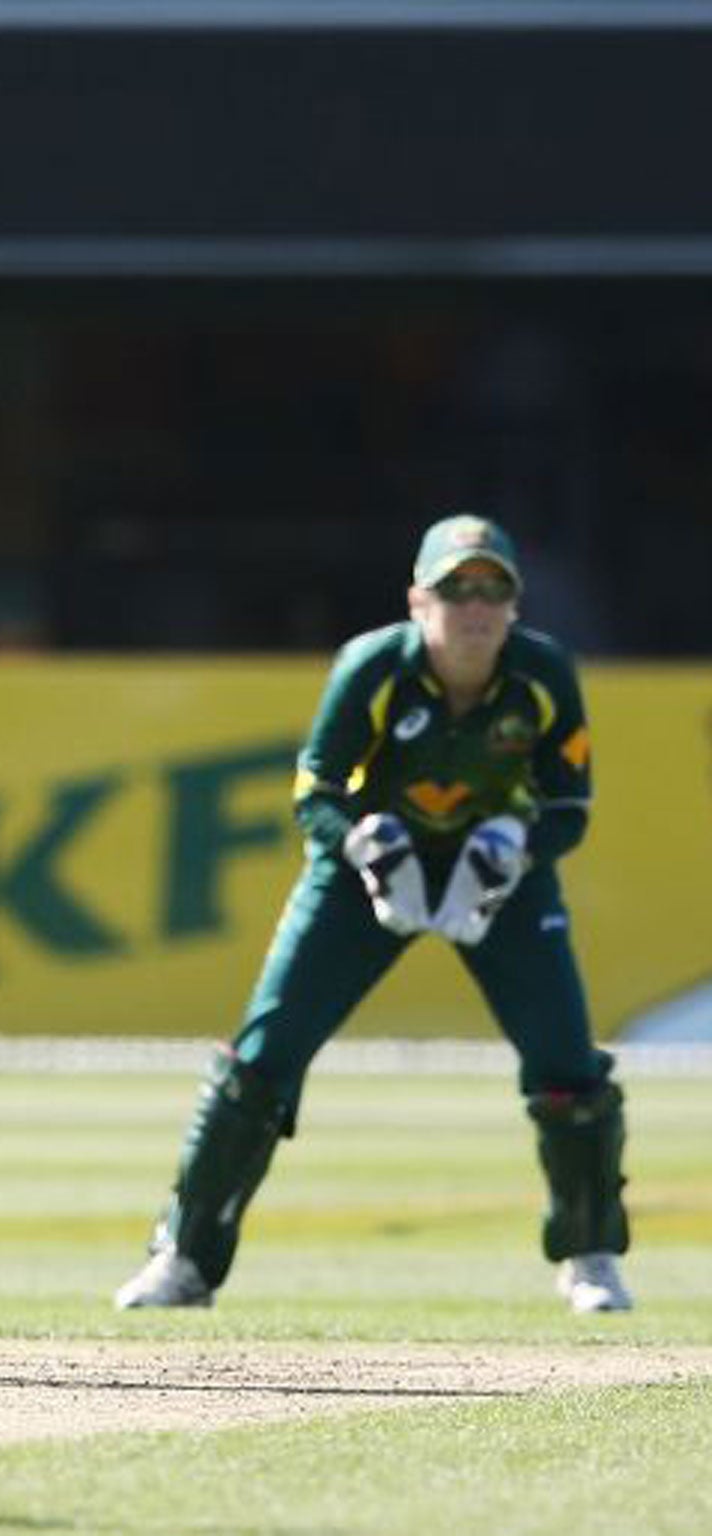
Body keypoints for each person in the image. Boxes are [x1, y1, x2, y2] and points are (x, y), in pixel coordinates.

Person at [114, 514, 631, 1315]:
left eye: (493, 588)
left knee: (571, 1071)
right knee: (260, 1063)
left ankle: (591, 1256)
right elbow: (313, 792)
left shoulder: (542, 673)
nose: (475, 607)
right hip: (366, 873)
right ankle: (184, 1257)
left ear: (515, 604)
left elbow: (570, 805)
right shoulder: (373, 666)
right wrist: (363, 842)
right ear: (418, 599)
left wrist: (512, 846)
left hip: (498, 877)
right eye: (456, 588)